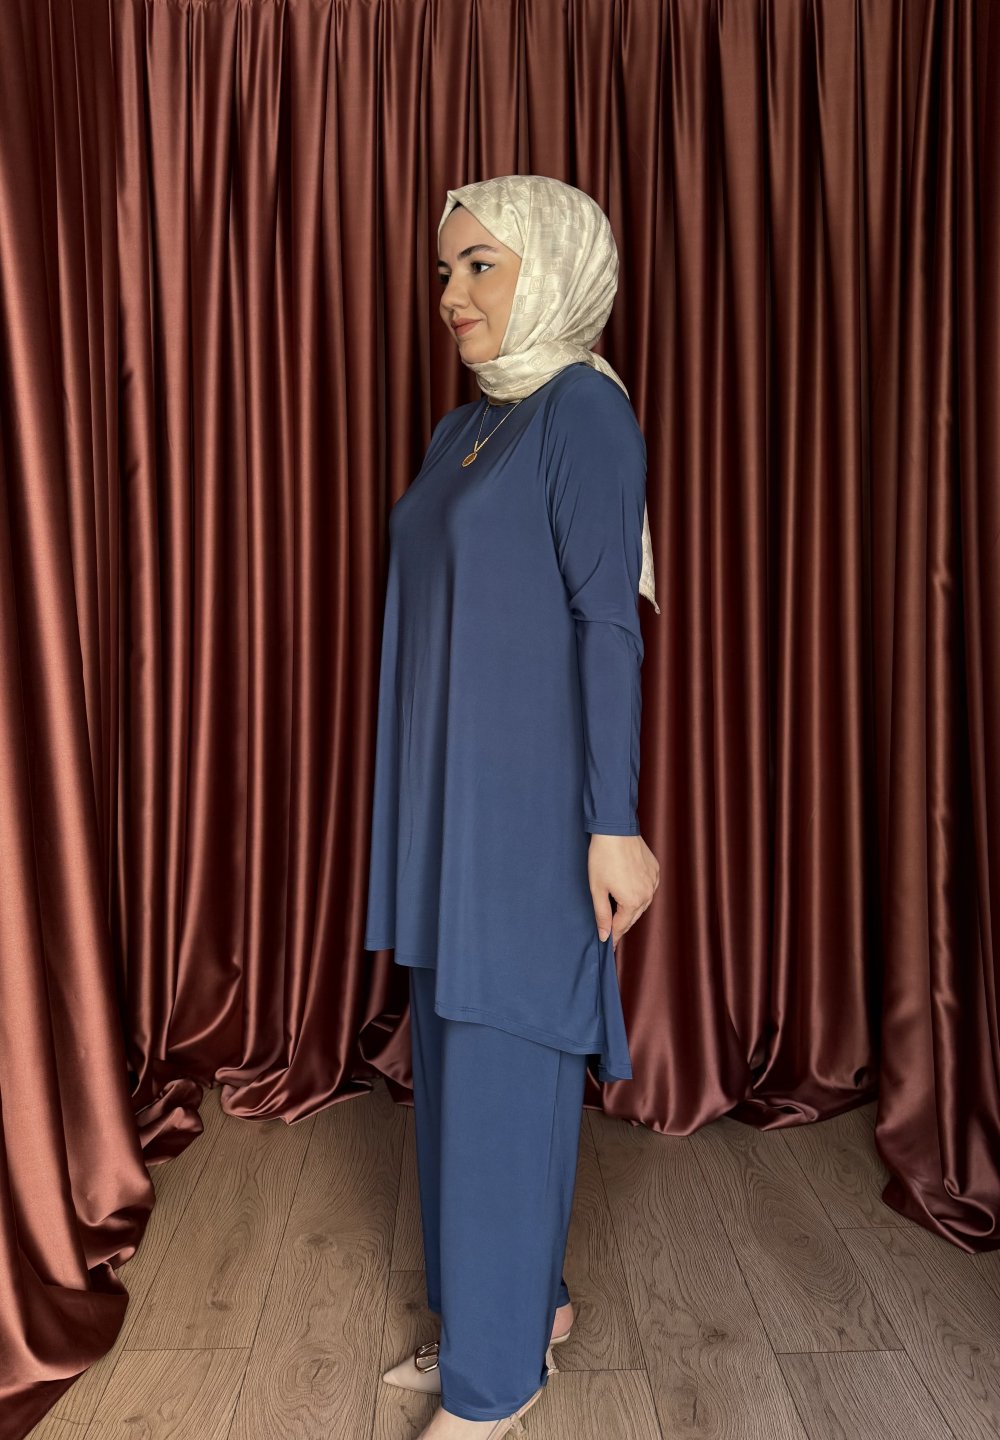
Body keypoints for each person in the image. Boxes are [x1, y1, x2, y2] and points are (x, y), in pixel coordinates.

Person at [363, 174, 660, 1439]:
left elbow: (607, 626)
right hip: (446, 807)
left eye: (480, 264)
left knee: (502, 1066)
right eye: (444, 270)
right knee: (450, 1064)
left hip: (532, 814)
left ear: (554, 266)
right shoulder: (462, 429)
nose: (450, 295)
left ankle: (494, 1389)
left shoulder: (584, 411)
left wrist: (614, 823)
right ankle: (518, 1309)